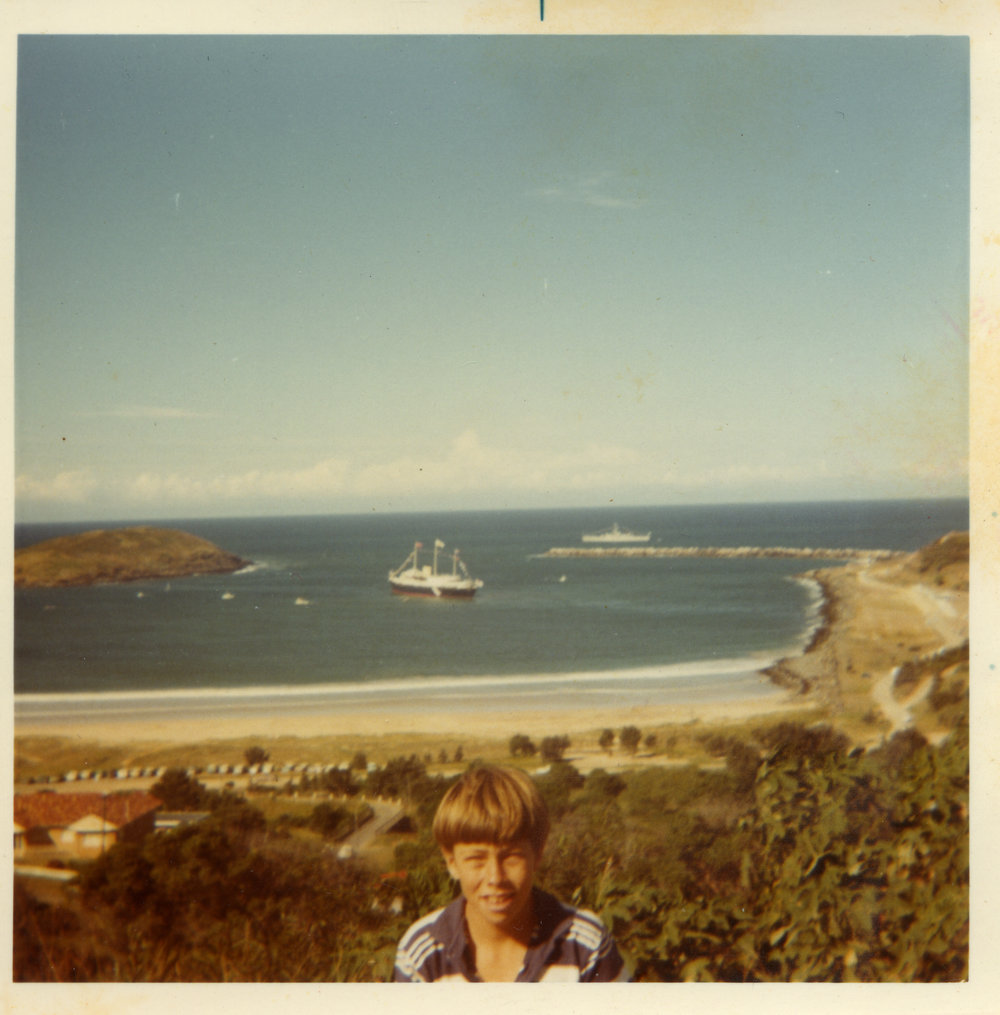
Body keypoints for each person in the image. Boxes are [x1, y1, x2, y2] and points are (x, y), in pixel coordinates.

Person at [393, 764, 629, 982]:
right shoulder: (422, 954)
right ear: (452, 862)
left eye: (511, 857)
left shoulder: (584, 946)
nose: (495, 878)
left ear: (537, 854)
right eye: (476, 859)